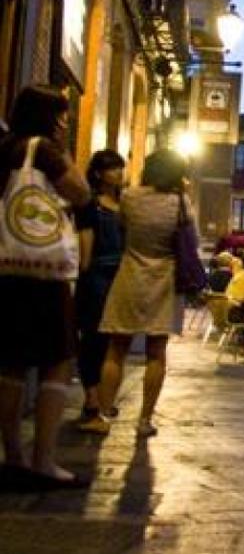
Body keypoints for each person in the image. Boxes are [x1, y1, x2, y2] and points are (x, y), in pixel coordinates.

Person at [0, 86, 92, 490]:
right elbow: (81, 191)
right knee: (58, 359)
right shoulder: (46, 151)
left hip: (7, 265)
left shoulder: (5, 148)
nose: (67, 120)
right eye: (63, 113)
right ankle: (44, 460)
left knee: (12, 362)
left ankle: (12, 455)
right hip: (45, 272)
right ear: (50, 116)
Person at [92, 149, 195, 439]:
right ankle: (144, 419)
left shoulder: (129, 197)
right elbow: (190, 241)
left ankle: (103, 413)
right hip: (164, 279)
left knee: (116, 348)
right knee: (156, 353)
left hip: (130, 274)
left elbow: (123, 229)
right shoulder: (181, 203)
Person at [74, 150, 127, 433]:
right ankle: (91, 397)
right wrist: (83, 275)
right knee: (93, 339)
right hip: (96, 276)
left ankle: (103, 398)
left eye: (121, 168)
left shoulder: (125, 204)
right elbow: (86, 246)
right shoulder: (89, 205)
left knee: (113, 342)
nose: (120, 173)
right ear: (98, 173)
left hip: (121, 277)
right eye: (113, 168)